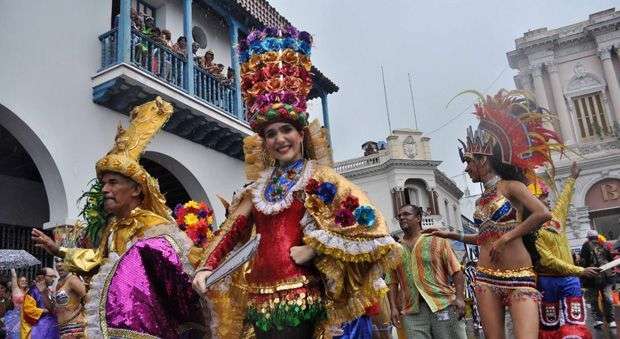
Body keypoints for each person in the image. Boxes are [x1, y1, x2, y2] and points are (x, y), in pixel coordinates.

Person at [192, 26, 400, 338]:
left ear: (300, 134)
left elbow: (369, 228)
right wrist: (207, 266)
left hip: (301, 294)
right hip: (258, 300)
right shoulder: (257, 189)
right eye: (271, 134)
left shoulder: (319, 179)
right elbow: (230, 230)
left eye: (286, 130)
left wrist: (314, 249)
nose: (279, 139)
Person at [31, 97, 205, 338]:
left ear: (136, 189)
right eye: (103, 183)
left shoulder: (154, 227)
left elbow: (178, 277)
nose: (104, 189)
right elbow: (98, 260)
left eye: (113, 182)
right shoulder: (113, 228)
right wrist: (58, 250)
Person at [424, 90, 557, 339]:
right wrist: (449, 233)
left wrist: (507, 238)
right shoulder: (482, 199)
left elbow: (542, 213)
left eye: (469, 161)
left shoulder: (511, 187)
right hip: (485, 279)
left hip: (520, 276)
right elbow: (484, 238)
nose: (466, 168)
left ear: (483, 160)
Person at [530, 162, 597, 338]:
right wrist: (580, 270)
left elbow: (564, 198)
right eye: (542, 197)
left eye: (546, 196)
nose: (547, 199)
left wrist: (572, 178)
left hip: (569, 280)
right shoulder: (530, 230)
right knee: (550, 325)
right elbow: (548, 260)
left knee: (574, 323)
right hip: (547, 281)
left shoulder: (556, 217)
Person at [387, 204, 467, 339]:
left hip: (442, 304)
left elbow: (456, 270)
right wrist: (393, 308)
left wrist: (459, 298)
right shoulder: (395, 249)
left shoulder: (436, 240)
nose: (401, 218)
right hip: (412, 311)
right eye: (399, 216)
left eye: (406, 214)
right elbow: (391, 281)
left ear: (418, 218)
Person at [580, 229, 616, 328]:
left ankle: (598, 320)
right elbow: (611, 259)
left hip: (592, 277)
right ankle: (611, 321)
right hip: (607, 276)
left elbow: (582, 262)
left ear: (588, 238)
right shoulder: (604, 244)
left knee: (593, 299)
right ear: (597, 237)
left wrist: (582, 274)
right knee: (608, 299)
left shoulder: (585, 246)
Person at [20, 268, 59, 339]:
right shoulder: (33, 291)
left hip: (51, 328)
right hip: (39, 329)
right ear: (42, 277)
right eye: (51, 276)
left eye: (54, 276)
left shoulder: (48, 290)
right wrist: (45, 310)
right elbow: (28, 310)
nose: (53, 279)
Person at [53, 261, 87, 338]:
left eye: (62, 261)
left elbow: (89, 299)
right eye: (57, 261)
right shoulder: (59, 283)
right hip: (63, 328)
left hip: (74, 327)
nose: (59, 264)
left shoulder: (73, 280)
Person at [4, 269, 28, 339]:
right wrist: (12, 268)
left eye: (25, 281)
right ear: (18, 282)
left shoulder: (28, 291)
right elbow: (14, 276)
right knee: (15, 335)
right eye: (22, 281)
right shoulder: (15, 289)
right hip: (16, 317)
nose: (24, 282)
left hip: (26, 316)